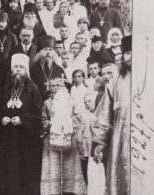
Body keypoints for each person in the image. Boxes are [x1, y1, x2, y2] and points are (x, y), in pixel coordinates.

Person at [0, 53, 43, 195]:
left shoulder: (33, 88)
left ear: (26, 71)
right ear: (11, 70)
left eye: (21, 67)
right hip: (9, 137)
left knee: (25, 170)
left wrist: (22, 119)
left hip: (26, 139)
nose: (18, 70)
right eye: (15, 67)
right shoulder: (6, 88)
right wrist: (2, 119)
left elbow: (38, 113)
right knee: (9, 169)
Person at [92, 35, 131, 195]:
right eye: (127, 53)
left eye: (133, 52)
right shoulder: (116, 81)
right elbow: (104, 115)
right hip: (120, 139)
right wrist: (100, 142)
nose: (131, 57)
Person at [40, 77, 87, 195]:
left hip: (68, 137)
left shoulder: (72, 101)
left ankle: (69, 190)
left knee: (69, 164)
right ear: (49, 88)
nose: (56, 88)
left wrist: (67, 125)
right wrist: (51, 124)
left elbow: (78, 118)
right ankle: (53, 190)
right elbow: (42, 119)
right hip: (51, 137)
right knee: (53, 164)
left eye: (59, 85)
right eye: (53, 86)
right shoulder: (46, 103)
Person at [30, 35, 67, 100]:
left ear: (54, 53)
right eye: (45, 49)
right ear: (40, 52)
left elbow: (65, 86)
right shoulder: (33, 68)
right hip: (37, 99)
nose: (48, 52)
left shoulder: (59, 69)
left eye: (50, 50)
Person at [0, 12, 18, 85]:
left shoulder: (12, 36)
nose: (1, 24)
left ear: (7, 23)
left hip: (8, 67)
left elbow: (16, 51)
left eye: (3, 22)